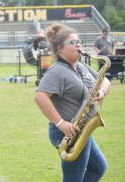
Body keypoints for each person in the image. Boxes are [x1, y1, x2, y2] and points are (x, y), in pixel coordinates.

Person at [34, 23, 111, 181]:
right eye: (74, 43)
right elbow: (40, 96)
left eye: (80, 42)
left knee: (98, 168)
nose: (79, 46)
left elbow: (105, 81)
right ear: (60, 48)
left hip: (81, 129)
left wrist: (102, 92)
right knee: (73, 177)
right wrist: (61, 123)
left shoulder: (80, 66)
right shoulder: (56, 71)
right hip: (69, 132)